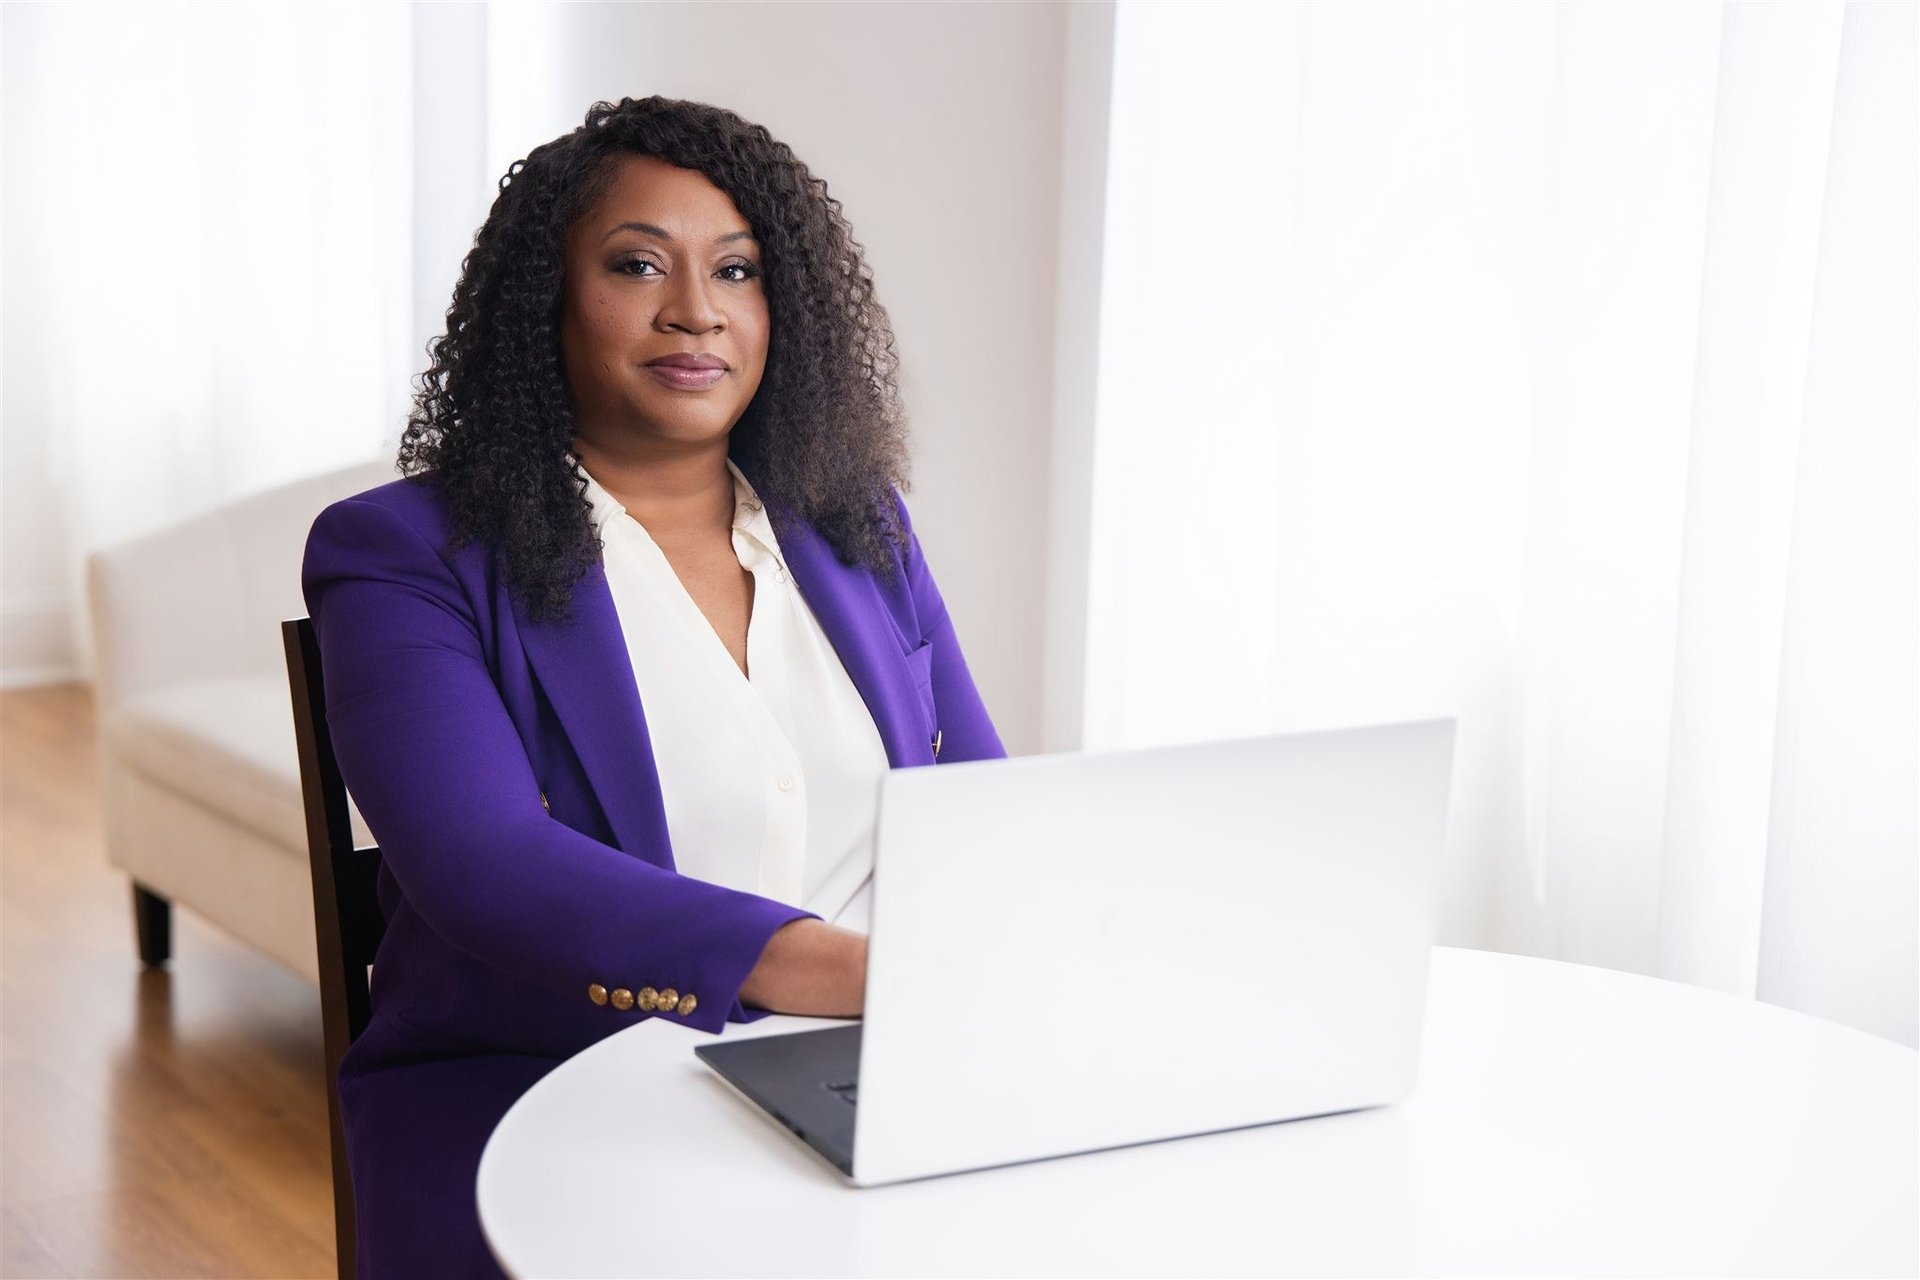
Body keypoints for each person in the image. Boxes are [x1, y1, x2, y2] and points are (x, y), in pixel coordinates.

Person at [301, 95, 1005, 1279]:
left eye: (736, 269)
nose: (697, 310)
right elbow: (482, 864)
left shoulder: (856, 526)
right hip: (547, 1088)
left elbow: (980, 795)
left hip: (881, 1069)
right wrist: (847, 972)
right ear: (548, 301)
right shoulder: (403, 551)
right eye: (639, 264)